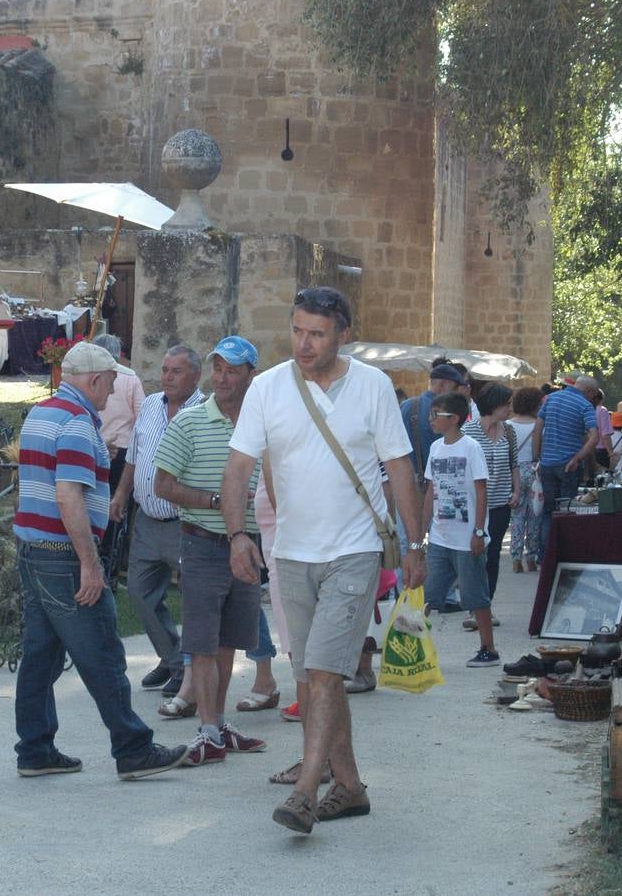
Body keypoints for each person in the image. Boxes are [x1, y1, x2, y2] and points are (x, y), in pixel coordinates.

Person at [223, 286, 425, 836]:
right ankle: (352, 788)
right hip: (290, 553)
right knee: (314, 679)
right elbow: (239, 467)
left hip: (355, 550)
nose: (304, 343)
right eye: (297, 331)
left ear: (343, 334)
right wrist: (238, 534)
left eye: (316, 333)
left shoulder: (374, 387)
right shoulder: (267, 388)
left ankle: (307, 791)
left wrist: (415, 544)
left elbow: (400, 467)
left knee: (324, 671)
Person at [11, 341, 188, 781]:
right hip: (63, 556)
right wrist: (90, 564)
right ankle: (133, 748)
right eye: (110, 381)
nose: (113, 392)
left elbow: (48, 476)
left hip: (33, 551)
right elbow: (68, 496)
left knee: (40, 655)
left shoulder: (43, 413)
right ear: (93, 380)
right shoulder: (75, 423)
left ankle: (35, 749)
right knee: (104, 653)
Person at [153, 335, 268, 766]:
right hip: (202, 544)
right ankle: (206, 730)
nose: (222, 378)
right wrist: (219, 502)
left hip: (249, 547)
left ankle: (217, 726)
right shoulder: (189, 422)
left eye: (232, 370)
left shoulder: (261, 424)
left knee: (229, 641)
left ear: (249, 375)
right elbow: (161, 486)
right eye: (217, 368)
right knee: (202, 643)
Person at [108, 345, 205, 703]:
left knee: (196, 600)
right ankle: (172, 658)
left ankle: (187, 672)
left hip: (187, 524)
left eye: (176, 371)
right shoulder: (150, 405)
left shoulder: (206, 413)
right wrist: (120, 494)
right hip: (147, 520)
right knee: (139, 591)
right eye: (164, 370)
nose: (166, 377)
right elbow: (134, 455)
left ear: (195, 376)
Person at [421, 392, 499, 666]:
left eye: (435, 415)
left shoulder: (471, 447)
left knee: (475, 595)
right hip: (441, 535)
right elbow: (431, 491)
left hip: (467, 538)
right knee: (428, 594)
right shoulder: (435, 448)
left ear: (453, 419)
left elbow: (480, 490)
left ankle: (488, 648)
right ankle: (413, 647)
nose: (430, 419)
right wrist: (421, 534)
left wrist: (479, 531)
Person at [461, 383, 520, 626]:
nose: (510, 408)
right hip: (475, 506)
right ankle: (474, 608)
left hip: (500, 503)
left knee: (493, 556)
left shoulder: (509, 431)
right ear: (494, 405)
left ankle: (486, 606)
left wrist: (517, 490)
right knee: (475, 557)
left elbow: (513, 463)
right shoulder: (468, 431)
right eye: (506, 404)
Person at [90, 333, 145, 576]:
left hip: (94, 445)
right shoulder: (130, 378)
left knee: (94, 502)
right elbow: (141, 417)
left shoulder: (90, 377)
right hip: (122, 450)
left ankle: (100, 557)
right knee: (118, 507)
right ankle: (113, 562)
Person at [533, 373, 599, 558]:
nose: (592, 399)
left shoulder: (551, 398)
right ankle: (563, 555)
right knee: (567, 512)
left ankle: (545, 555)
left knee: (547, 511)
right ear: (589, 391)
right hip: (568, 465)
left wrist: (537, 456)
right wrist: (578, 458)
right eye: (593, 395)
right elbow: (594, 437)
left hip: (547, 464)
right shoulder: (585, 405)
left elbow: (538, 427)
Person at [398, 362, 465, 491]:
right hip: (434, 485)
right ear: (444, 384)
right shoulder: (445, 413)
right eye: (455, 387)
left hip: (403, 482)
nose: (457, 392)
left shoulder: (405, 405)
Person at [507, 386, 543, 573]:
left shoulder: (507, 425)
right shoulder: (539, 424)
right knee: (535, 515)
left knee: (517, 517)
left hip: (514, 472)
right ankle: (531, 556)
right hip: (535, 471)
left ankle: (515, 558)